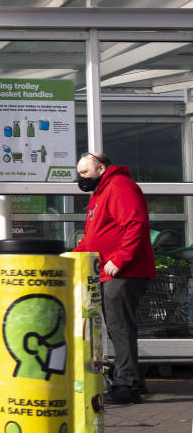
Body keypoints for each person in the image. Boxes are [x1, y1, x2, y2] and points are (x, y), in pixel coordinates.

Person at [73, 151, 156, 405]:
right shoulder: (101, 193)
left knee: (119, 327)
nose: (81, 179)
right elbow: (95, 236)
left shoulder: (119, 186)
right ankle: (131, 377)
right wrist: (73, 256)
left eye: (84, 173)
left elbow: (136, 224)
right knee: (118, 327)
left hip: (123, 272)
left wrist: (120, 259)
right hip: (112, 271)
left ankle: (127, 385)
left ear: (101, 168)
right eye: (79, 174)